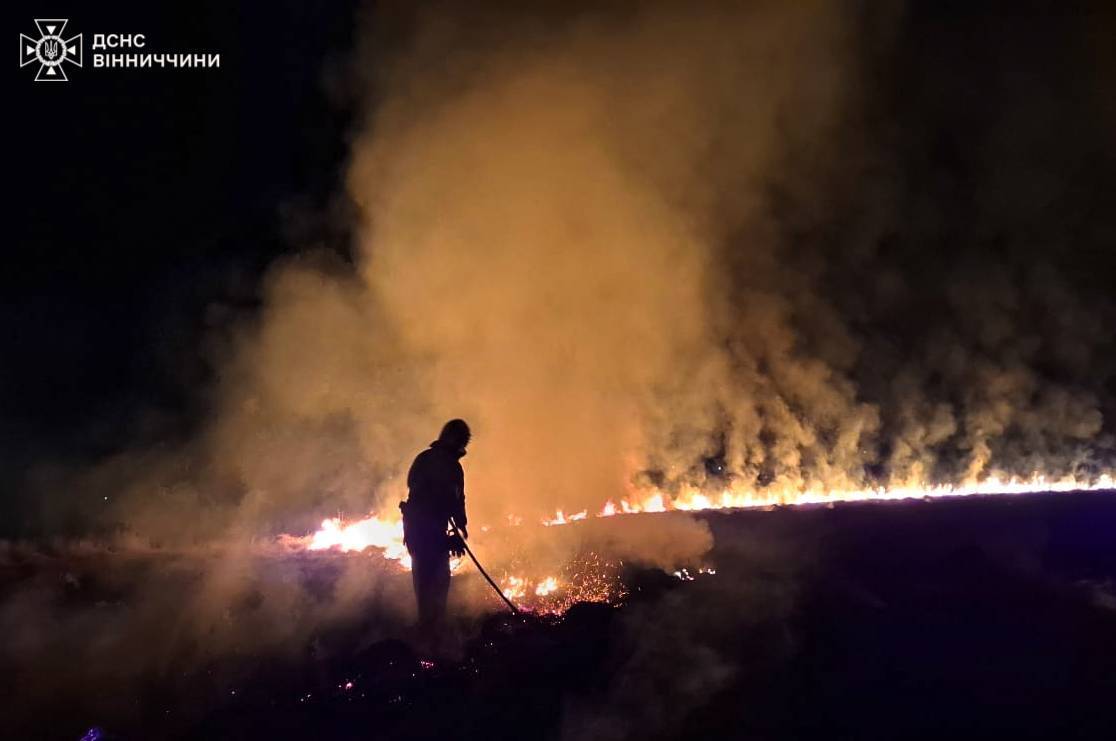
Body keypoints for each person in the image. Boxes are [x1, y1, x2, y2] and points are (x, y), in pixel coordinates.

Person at [400, 418, 470, 632]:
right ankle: (432, 633)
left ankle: (426, 627)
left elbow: (412, 485)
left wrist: (459, 526)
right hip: (429, 534)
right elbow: (455, 500)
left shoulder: (423, 458)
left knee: (423, 584)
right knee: (437, 583)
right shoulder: (452, 467)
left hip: (415, 532)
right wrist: (459, 527)